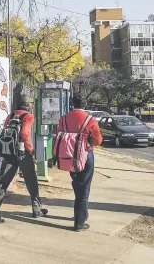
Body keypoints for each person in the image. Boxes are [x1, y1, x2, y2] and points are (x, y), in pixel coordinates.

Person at [0, 94, 48, 223]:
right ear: (28, 105)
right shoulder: (28, 116)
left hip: (9, 152)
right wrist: (30, 149)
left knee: (2, 181)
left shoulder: (10, 116)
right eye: (31, 102)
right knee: (31, 181)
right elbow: (25, 133)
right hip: (23, 153)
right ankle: (37, 209)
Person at [57, 94, 103, 232]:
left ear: (71, 103)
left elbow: (59, 134)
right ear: (85, 104)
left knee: (77, 185)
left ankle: (81, 212)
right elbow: (97, 141)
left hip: (69, 156)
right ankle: (79, 222)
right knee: (84, 187)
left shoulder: (63, 118)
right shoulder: (90, 119)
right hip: (85, 155)